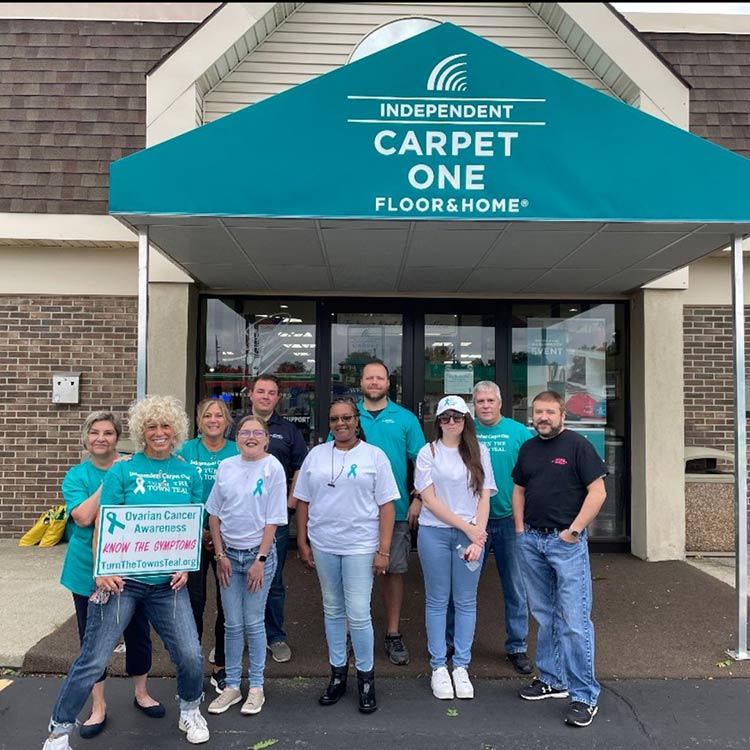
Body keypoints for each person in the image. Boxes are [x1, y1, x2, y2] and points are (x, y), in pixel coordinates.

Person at [42, 395, 209, 750]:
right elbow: (103, 521)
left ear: (175, 430)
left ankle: (191, 709)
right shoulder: (123, 470)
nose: (159, 432)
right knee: (94, 657)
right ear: (141, 431)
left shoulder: (189, 473)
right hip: (123, 583)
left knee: (191, 654)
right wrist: (102, 568)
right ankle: (59, 730)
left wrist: (185, 564)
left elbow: (193, 526)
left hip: (168, 584)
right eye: (151, 426)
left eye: (165, 426)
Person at [59, 411, 163, 740]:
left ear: (118, 437)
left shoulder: (136, 467)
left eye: (108, 432)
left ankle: (141, 692)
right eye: (94, 433)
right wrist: (113, 478)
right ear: (85, 439)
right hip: (87, 571)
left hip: (133, 567)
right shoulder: (76, 476)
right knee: (94, 643)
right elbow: (85, 517)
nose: (101, 438)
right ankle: (99, 705)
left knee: (137, 633)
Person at [512, 390, 607, 728]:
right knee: (544, 614)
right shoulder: (528, 448)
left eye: (550, 412)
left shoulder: (578, 446)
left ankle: (585, 696)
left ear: (562, 415)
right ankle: (553, 679)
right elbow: (519, 489)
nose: (543, 417)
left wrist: (575, 531)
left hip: (565, 543)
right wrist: (521, 531)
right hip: (533, 541)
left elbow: (598, 492)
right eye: (538, 411)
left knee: (574, 621)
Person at [295, 398, 397, 714]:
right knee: (332, 609)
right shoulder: (316, 455)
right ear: (329, 422)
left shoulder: (374, 456)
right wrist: (302, 540)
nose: (341, 423)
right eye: (335, 419)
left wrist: (383, 550)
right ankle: (337, 673)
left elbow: (387, 506)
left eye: (347, 418)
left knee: (358, 612)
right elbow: (302, 500)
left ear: (357, 420)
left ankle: (366, 678)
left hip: (360, 546)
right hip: (324, 544)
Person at [205, 415, 287, 716]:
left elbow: (274, 519)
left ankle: (256, 687)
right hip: (229, 558)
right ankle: (231, 686)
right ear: (236, 437)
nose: (250, 437)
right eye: (244, 432)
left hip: (257, 557)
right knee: (231, 623)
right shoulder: (227, 466)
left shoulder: (272, 468)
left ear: (266, 438)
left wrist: (261, 560)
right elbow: (214, 513)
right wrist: (220, 555)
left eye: (257, 432)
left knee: (253, 622)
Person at [414, 395, 495, 702]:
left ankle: (461, 665)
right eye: (445, 418)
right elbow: (430, 500)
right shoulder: (428, 452)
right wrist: (469, 530)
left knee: (465, 601)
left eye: (457, 417)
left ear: (465, 420)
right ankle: (438, 666)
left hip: (470, 535)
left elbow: (485, 496)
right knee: (436, 600)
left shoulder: (479, 451)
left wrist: (477, 537)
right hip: (435, 533)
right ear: (438, 422)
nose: (451, 423)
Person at [230, 374, 307, 663]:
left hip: (272, 521)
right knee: (233, 580)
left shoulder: (288, 431)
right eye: (260, 391)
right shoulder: (236, 428)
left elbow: (300, 468)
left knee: (271, 580)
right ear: (250, 395)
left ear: (277, 398)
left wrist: (288, 502)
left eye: (271, 393)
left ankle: (274, 635)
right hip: (237, 519)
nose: (265, 396)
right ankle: (236, 638)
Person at [355, 361, 425, 665]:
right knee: (352, 574)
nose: (374, 382)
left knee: (393, 572)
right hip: (354, 512)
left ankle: (393, 633)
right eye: (369, 377)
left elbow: (423, 462)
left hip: (394, 511)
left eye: (379, 377)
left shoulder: (406, 419)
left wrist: (418, 497)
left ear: (388, 382)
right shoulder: (347, 416)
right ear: (361, 382)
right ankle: (352, 631)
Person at [472, 381, 534, 674]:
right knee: (463, 587)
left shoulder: (519, 433)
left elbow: (535, 473)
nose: (485, 405)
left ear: (499, 403)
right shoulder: (466, 430)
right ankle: (454, 642)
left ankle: (517, 646)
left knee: (515, 587)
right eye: (480, 401)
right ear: (474, 404)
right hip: (474, 523)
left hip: (511, 520)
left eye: (490, 400)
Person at [179, 398, 238, 693]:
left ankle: (221, 666)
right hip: (191, 538)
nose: (213, 420)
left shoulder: (237, 451)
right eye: (207, 415)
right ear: (199, 421)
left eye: (219, 415)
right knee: (193, 604)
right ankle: (193, 667)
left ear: (227, 421)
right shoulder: (185, 451)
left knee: (227, 604)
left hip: (229, 539)